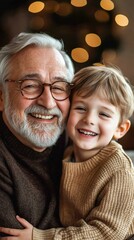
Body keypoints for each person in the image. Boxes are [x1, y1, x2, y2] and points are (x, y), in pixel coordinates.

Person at [1, 65, 134, 240]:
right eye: (81, 108)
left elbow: (107, 232)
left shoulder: (117, 167)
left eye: (104, 114)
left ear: (120, 128)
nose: (89, 120)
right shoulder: (67, 152)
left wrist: (42, 237)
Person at [0, 32, 74, 234]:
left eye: (59, 87)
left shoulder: (81, 142)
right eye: (31, 86)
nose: (48, 102)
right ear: (1, 96)